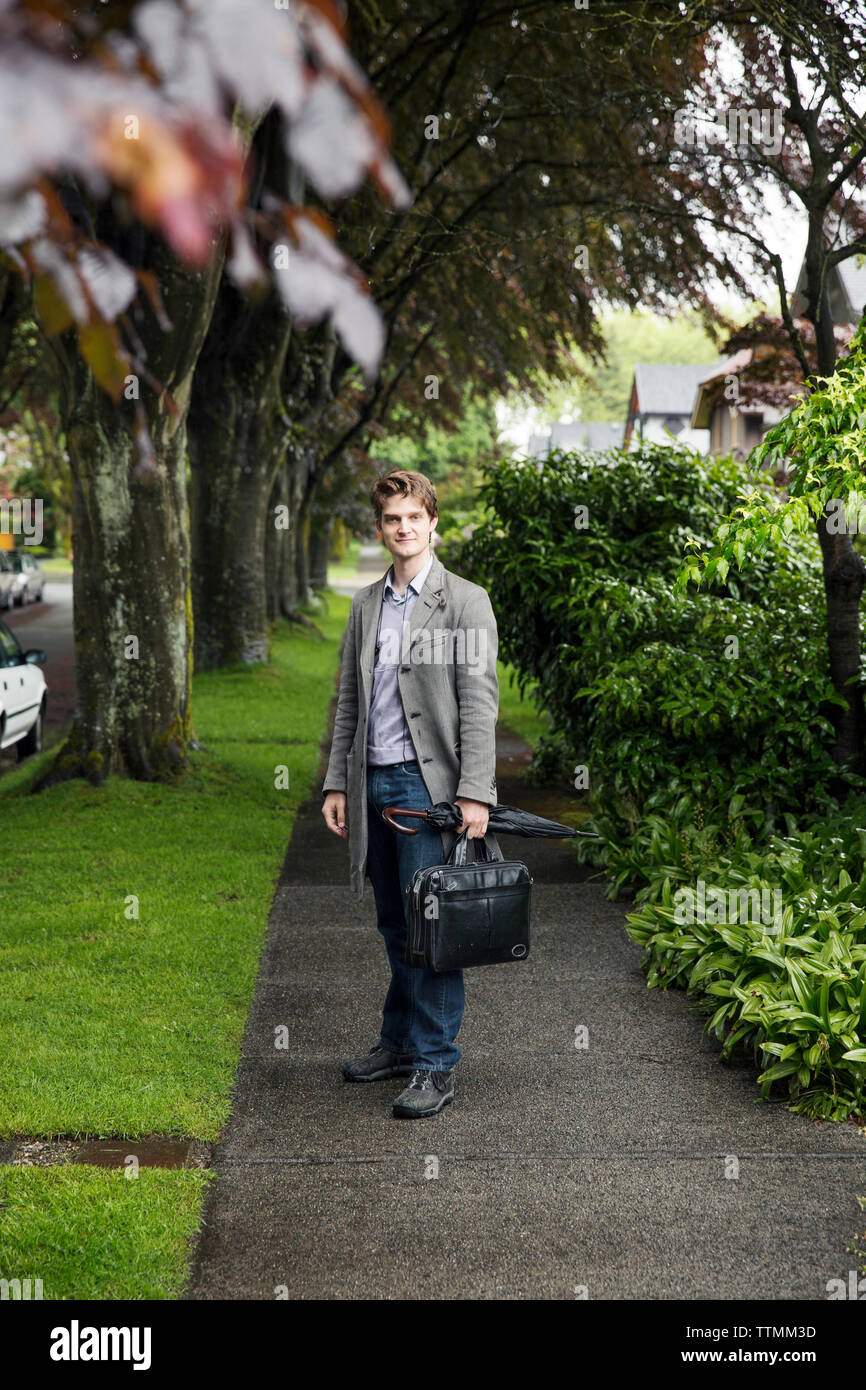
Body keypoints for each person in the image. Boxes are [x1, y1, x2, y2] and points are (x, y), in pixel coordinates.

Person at [321, 468, 500, 1117]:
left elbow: (479, 704)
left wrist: (475, 794)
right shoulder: (367, 603)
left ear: (432, 524)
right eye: (392, 519)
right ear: (381, 528)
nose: (403, 528)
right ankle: (398, 1043)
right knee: (395, 925)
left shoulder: (465, 601)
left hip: (428, 792)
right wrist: (337, 780)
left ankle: (434, 1066)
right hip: (371, 785)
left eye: (414, 518)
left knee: (432, 932)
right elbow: (348, 698)